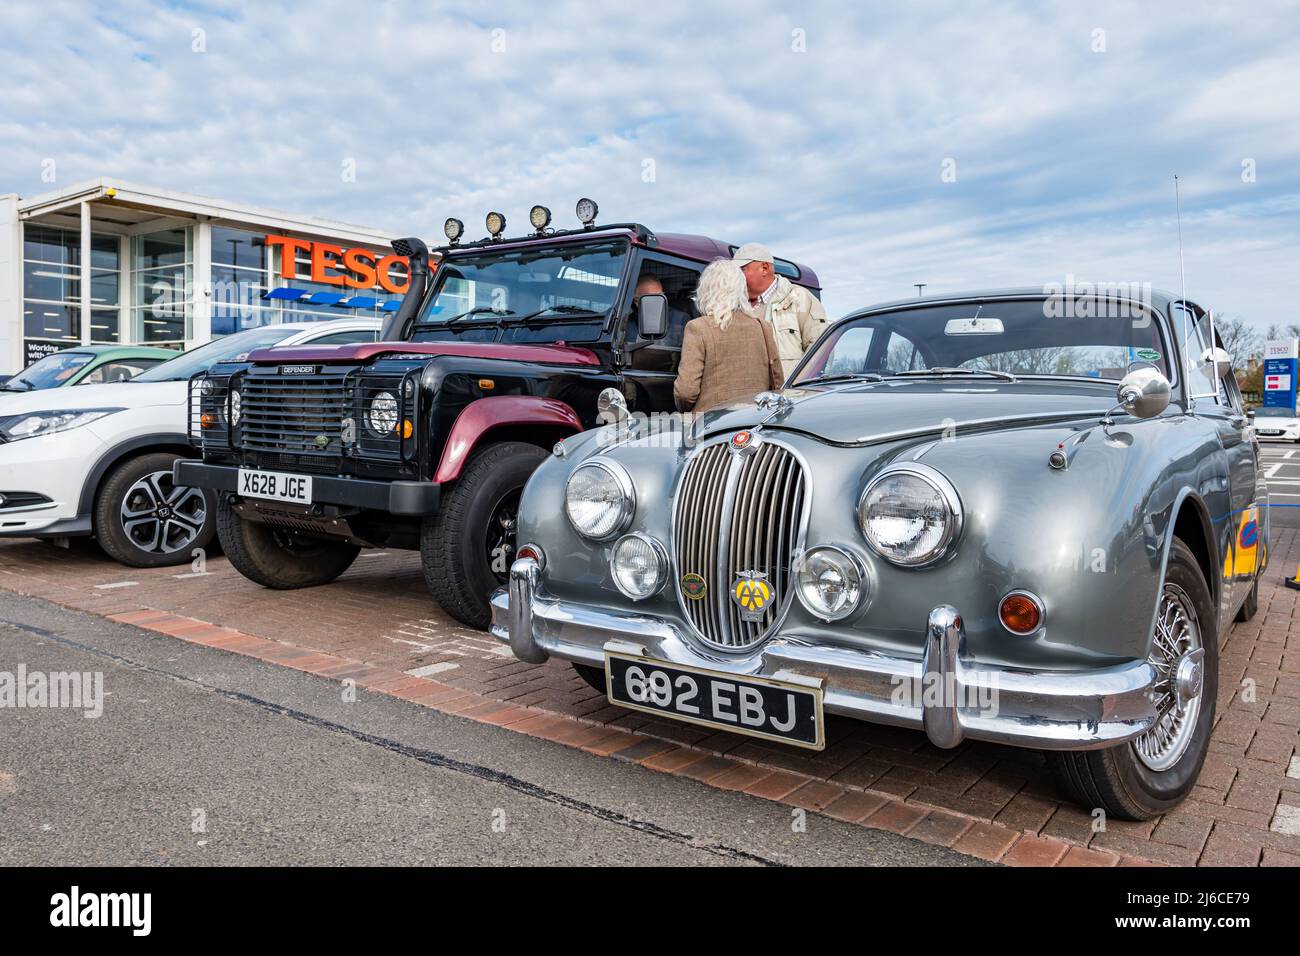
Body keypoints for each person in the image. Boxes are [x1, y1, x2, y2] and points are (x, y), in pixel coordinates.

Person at [673, 259, 783, 414]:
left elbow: (686, 392)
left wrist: (683, 410)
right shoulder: (763, 327)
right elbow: (777, 382)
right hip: (754, 421)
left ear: (706, 290)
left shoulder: (697, 328)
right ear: (741, 290)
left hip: (711, 426)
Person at [733, 242, 827, 379]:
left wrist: (796, 387)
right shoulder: (734, 306)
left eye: (742, 270)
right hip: (747, 396)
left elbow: (821, 349)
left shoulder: (799, 298)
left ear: (764, 268)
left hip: (789, 397)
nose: (736, 277)